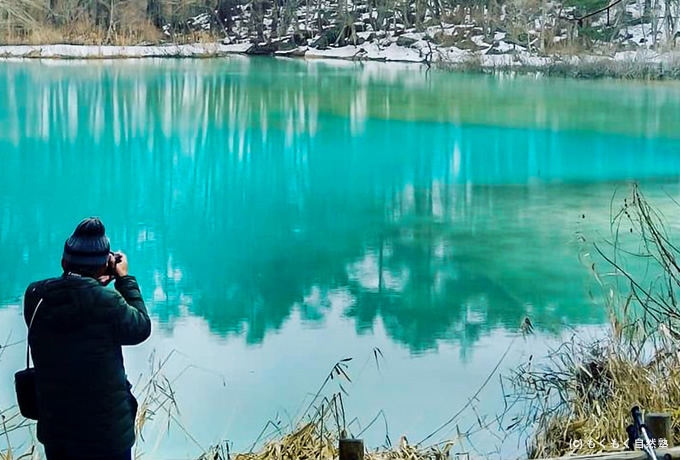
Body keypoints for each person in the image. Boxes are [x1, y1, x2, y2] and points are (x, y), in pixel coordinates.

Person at [23, 217, 152, 460]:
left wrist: (91, 281)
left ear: (63, 261)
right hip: (107, 435)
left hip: (57, 431)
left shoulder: (35, 296)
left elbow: (73, 298)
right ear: (106, 265)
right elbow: (141, 328)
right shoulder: (108, 303)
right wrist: (124, 279)